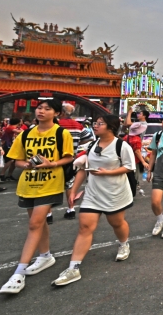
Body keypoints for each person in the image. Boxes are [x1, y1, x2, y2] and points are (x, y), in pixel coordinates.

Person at [0, 98, 74, 295]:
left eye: (47, 109)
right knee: (37, 223)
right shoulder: (25, 134)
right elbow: (17, 160)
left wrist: (52, 164)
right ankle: (45, 255)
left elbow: (69, 157)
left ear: (56, 113)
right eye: (39, 108)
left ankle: (18, 273)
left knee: (34, 224)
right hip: (28, 185)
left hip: (50, 184)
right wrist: (27, 165)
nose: (41, 111)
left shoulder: (61, 133)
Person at [51, 114, 137, 286]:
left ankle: (123, 244)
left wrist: (108, 173)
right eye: (95, 123)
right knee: (85, 227)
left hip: (114, 193)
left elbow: (129, 167)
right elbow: (84, 169)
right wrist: (73, 191)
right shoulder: (92, 145)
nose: (95, 126)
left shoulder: (121, 145)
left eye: (100, 123)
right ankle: (73, 268)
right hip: (93, 194)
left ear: (111, 127)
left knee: (117, 223)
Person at [124, 106, 150, 174]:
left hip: (135, 145)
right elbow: (126, 124)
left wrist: (130, 113)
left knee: (134, 165)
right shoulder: (139, 123)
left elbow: (128, 123)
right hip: (133, 146)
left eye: (140, 114)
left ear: (144, 116)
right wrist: (128, 114)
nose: (138, 115)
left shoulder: (141, 124)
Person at [0, 117, 22, 182]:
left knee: (14, 161)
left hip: (13, 146)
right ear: (18, 122)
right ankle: (2, 175)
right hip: (7, 146)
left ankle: (9, 175)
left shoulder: (14, 127)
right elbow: (19, 131)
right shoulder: (10, 127)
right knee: (10, 160)